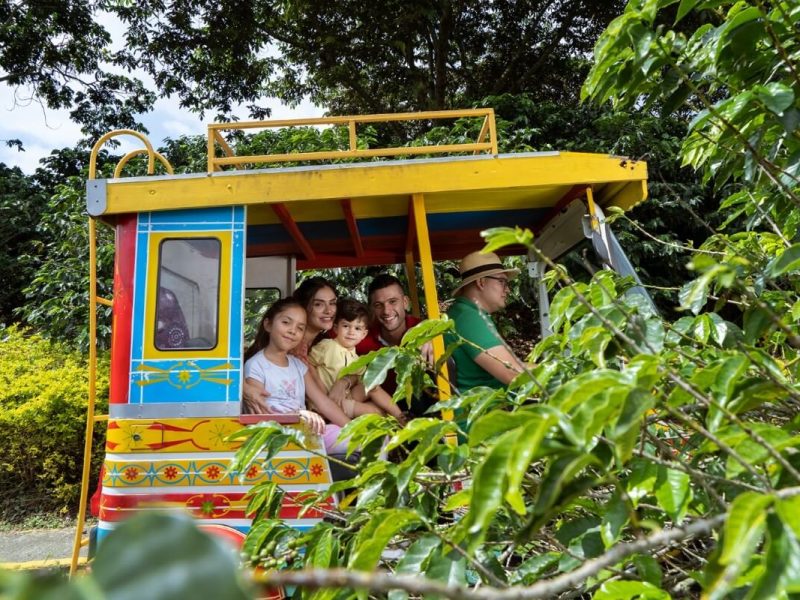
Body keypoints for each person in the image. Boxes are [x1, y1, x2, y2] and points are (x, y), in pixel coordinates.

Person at [242, 298, 351, 454]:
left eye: (300, 328)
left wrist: (353, 427)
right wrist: (297, 415)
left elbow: (324, 403)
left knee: (375, 439)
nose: (293, 330)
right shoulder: (256, 365)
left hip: (306, 433)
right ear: (268, 324)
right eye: (286, 323)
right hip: (280, 438)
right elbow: (259, 415)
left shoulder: (298, 366)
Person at [309, 298, 406, 422]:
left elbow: (362, 383)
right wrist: (317, 395)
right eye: (346, 326)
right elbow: (307, 365)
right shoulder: (327, 346)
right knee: (378, 413)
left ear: (364, 334)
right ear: (335, 328)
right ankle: (397, 420)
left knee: (371, 385)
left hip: (348, 398)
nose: (351, 332)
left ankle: (401, 416)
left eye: (357, 328)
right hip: (330, 402)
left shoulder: (357, 360)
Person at [445, 251, 528, 389]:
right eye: (502, 282)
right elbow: (512, 374)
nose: (507, 290)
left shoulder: (463, 313)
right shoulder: (469, 318)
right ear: (481, 282)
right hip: (488, 408)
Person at [357, 273, 434, 417]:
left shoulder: (424, 329)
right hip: (382, 414)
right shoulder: (360, 336)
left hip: (425, 413)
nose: (386, 311)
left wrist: (430, 335)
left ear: (405, 302)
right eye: (378, 305)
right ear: (372, 309)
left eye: (393, 302)